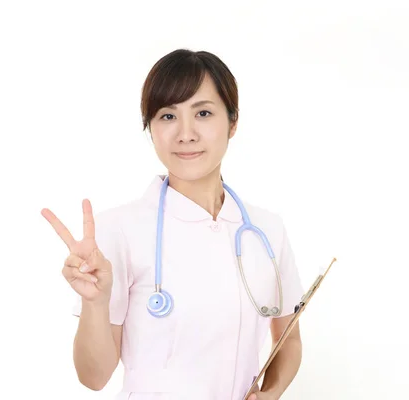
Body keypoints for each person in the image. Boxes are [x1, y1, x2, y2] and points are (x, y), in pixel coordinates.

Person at [41, 49, 305, 400]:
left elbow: (289, 339)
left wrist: (271, 391)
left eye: (204, 113)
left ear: (233, 121)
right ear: (150, 128)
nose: (185, 133)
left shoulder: (266, 229)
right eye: (168, 116)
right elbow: (94, 377)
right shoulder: (119, 230)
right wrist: (96, 302)